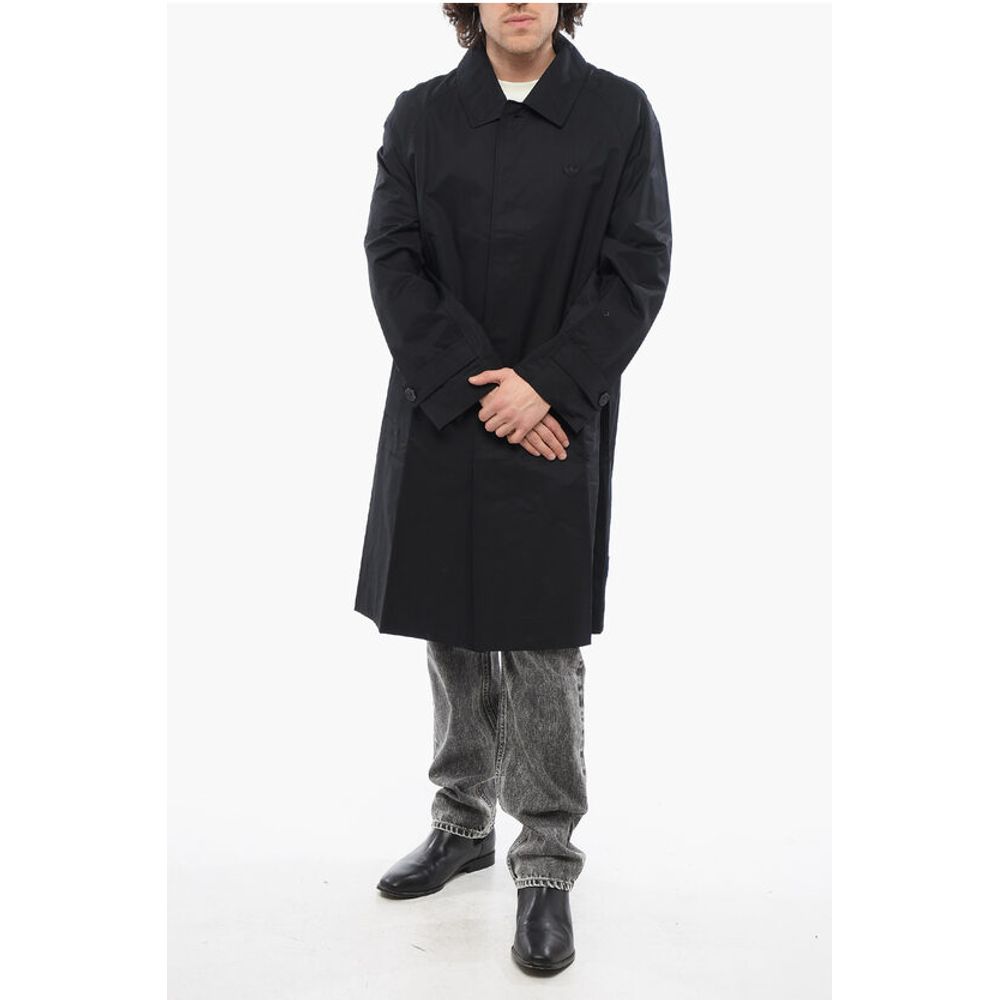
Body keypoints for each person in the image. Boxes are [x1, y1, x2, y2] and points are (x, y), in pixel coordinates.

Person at [355, 2, 672, 974]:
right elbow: (393, 257)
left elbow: (637, 268)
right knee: (451, 629)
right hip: (445, 408)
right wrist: (473, 384)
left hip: (552, 418)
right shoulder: (421, 115)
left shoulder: (617, 113)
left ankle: (544, 860)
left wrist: (548, 384)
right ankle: (461, 822)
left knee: (540, 643)